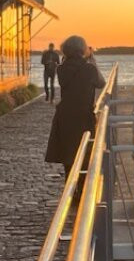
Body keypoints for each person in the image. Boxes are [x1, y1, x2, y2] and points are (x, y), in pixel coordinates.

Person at [45, 36, 106, 181]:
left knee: (68, 157)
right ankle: (82, 189)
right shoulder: (89, 68)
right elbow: (101, 83)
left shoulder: (61, 69)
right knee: (84, 155)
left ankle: (70, 187)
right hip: (83, 115)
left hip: (65, 116)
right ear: (82, 49)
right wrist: (92, 60)